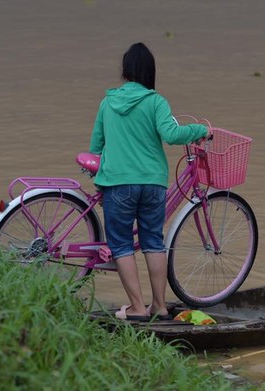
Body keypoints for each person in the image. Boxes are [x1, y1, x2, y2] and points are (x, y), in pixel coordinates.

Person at [89, 42, 208, 321]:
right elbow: (171, 134)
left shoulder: (107, 103)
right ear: (149, 72)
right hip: (153, 183)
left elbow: (96, 145)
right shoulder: (156, 101)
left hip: (118, 183)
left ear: (125, 71)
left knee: (121, 245)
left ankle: (136, 308)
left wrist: (100, 175)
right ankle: (159, 306)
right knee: (153, 241)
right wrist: (200, 129)